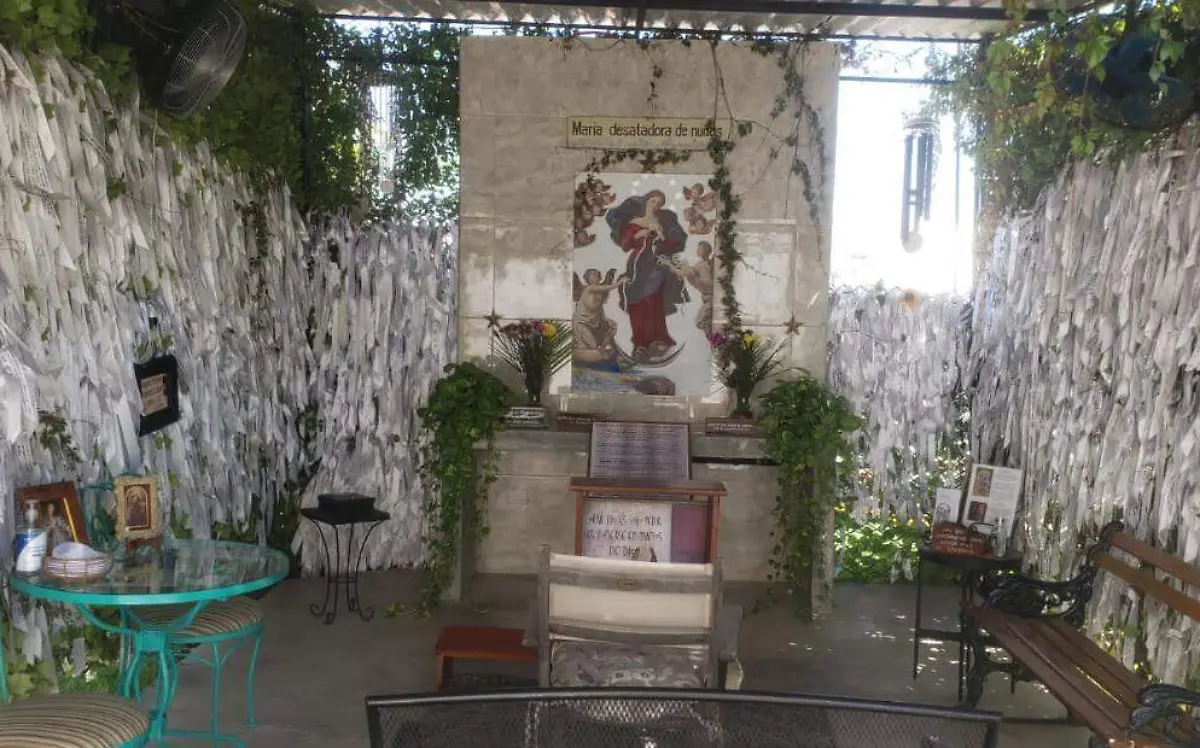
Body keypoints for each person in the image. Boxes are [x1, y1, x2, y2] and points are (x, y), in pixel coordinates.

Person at [605, 190, 688, 360]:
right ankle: (640, 343)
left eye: (659, 203)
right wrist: (639, 234)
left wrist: (662, 236)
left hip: (656, 264)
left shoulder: (662, 223)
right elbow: (625, 245)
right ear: (646, 201)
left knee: (654, 300)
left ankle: (657, 339)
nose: (655, 205)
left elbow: (671, 245)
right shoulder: (635, 222)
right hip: (637, 265)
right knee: (636, 301)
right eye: (653, 201)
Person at [572, 268, 627, 361]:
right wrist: (619, 283)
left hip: (593, 322)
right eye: (592, 274)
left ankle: (602, 349)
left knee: (613, 326)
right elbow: (606, 288)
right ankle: (589, 350)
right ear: (587, 278)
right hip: (582, 322)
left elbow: (599, 307)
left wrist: (604, 319)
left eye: (596, 274)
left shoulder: (599, 293)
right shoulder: (589, 289)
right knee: (592, 345)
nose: (595, 276)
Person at [664, 241, 715, 335]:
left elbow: (707, 283)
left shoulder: (703, 265)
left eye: (699, 249)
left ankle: (716, 339)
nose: (697, 250)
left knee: (701, 321)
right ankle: (715, 338)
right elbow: (686, 271)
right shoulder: (701, 264)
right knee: (703, 321)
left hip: (711, 298)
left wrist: (668, 264)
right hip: (707, 298)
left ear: (705, 251)